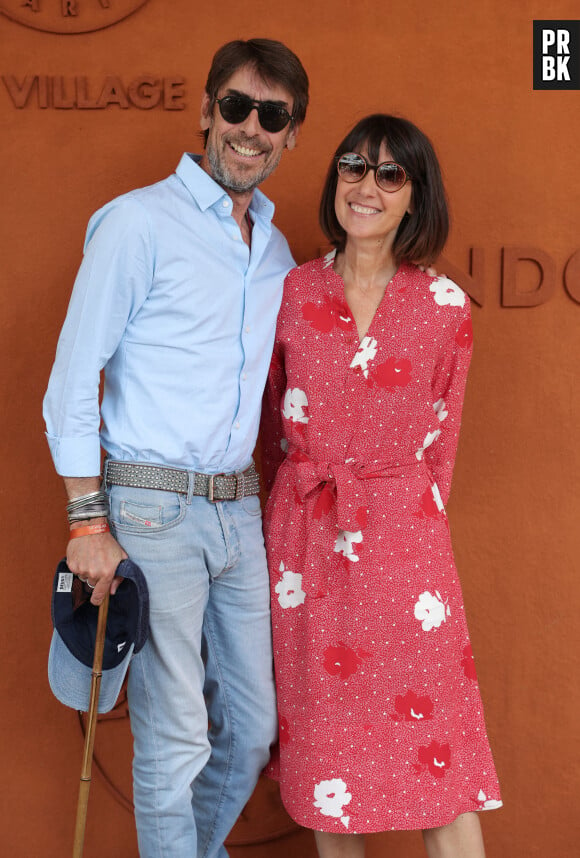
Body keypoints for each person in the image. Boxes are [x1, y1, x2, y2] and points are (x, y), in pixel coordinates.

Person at [43, 38, 309, 858]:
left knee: (255, 726)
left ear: (290, 134)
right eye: (236, 106)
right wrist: (88, 522)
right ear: (205, 112)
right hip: (152, 510)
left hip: (239, 512)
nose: (250, 129)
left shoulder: (274, 250)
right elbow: (70, 378)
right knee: (176, 738)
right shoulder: (136, 223)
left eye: (273, 116)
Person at [260, 114, 502, 858]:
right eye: (354, 167)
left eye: (390, 174)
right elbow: (267, 429)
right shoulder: (289, 293)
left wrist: (406, 539)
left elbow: (443, 450)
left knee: (441, 758)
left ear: (414, 197)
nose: (367, 186)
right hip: (303, 549)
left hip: (407, 552)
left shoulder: (445, 309)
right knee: (329, 759)